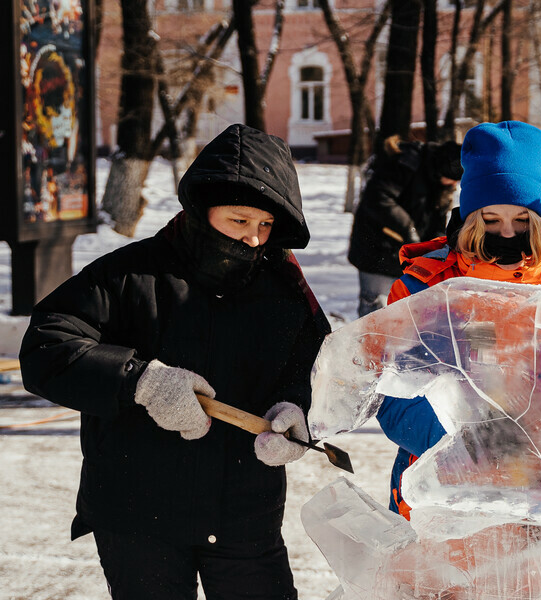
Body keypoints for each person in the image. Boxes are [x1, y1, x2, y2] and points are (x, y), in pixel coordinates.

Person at [18, 123, 331, 600]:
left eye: (265, 225)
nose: (253, 239)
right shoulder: (128, 275)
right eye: (239, 220)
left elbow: (318, 370)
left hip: (244, 513)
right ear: (203, 210)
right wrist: (140, 381)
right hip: (138, 513)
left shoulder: (285, 291)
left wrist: (298, 409)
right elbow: (46, 348)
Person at [375, 120, 541, 519]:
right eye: (490, 220)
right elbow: (392, 396)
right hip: (441, 489)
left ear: (540, 217)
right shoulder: (425, 287)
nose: (506, 232)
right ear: (470, 215)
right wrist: (468, 440)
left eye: (521, 220)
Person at [347, 134, 463, 317]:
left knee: (404, 314)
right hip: (377, 247)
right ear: (442, 170)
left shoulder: (440, 182)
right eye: (452, 179)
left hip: (406, 255)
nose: (454, 184)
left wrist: (436, 247)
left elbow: (437, 220)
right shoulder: (407, 162)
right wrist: (408, 228)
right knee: (374, 308)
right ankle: (369, 344)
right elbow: (379, 198)